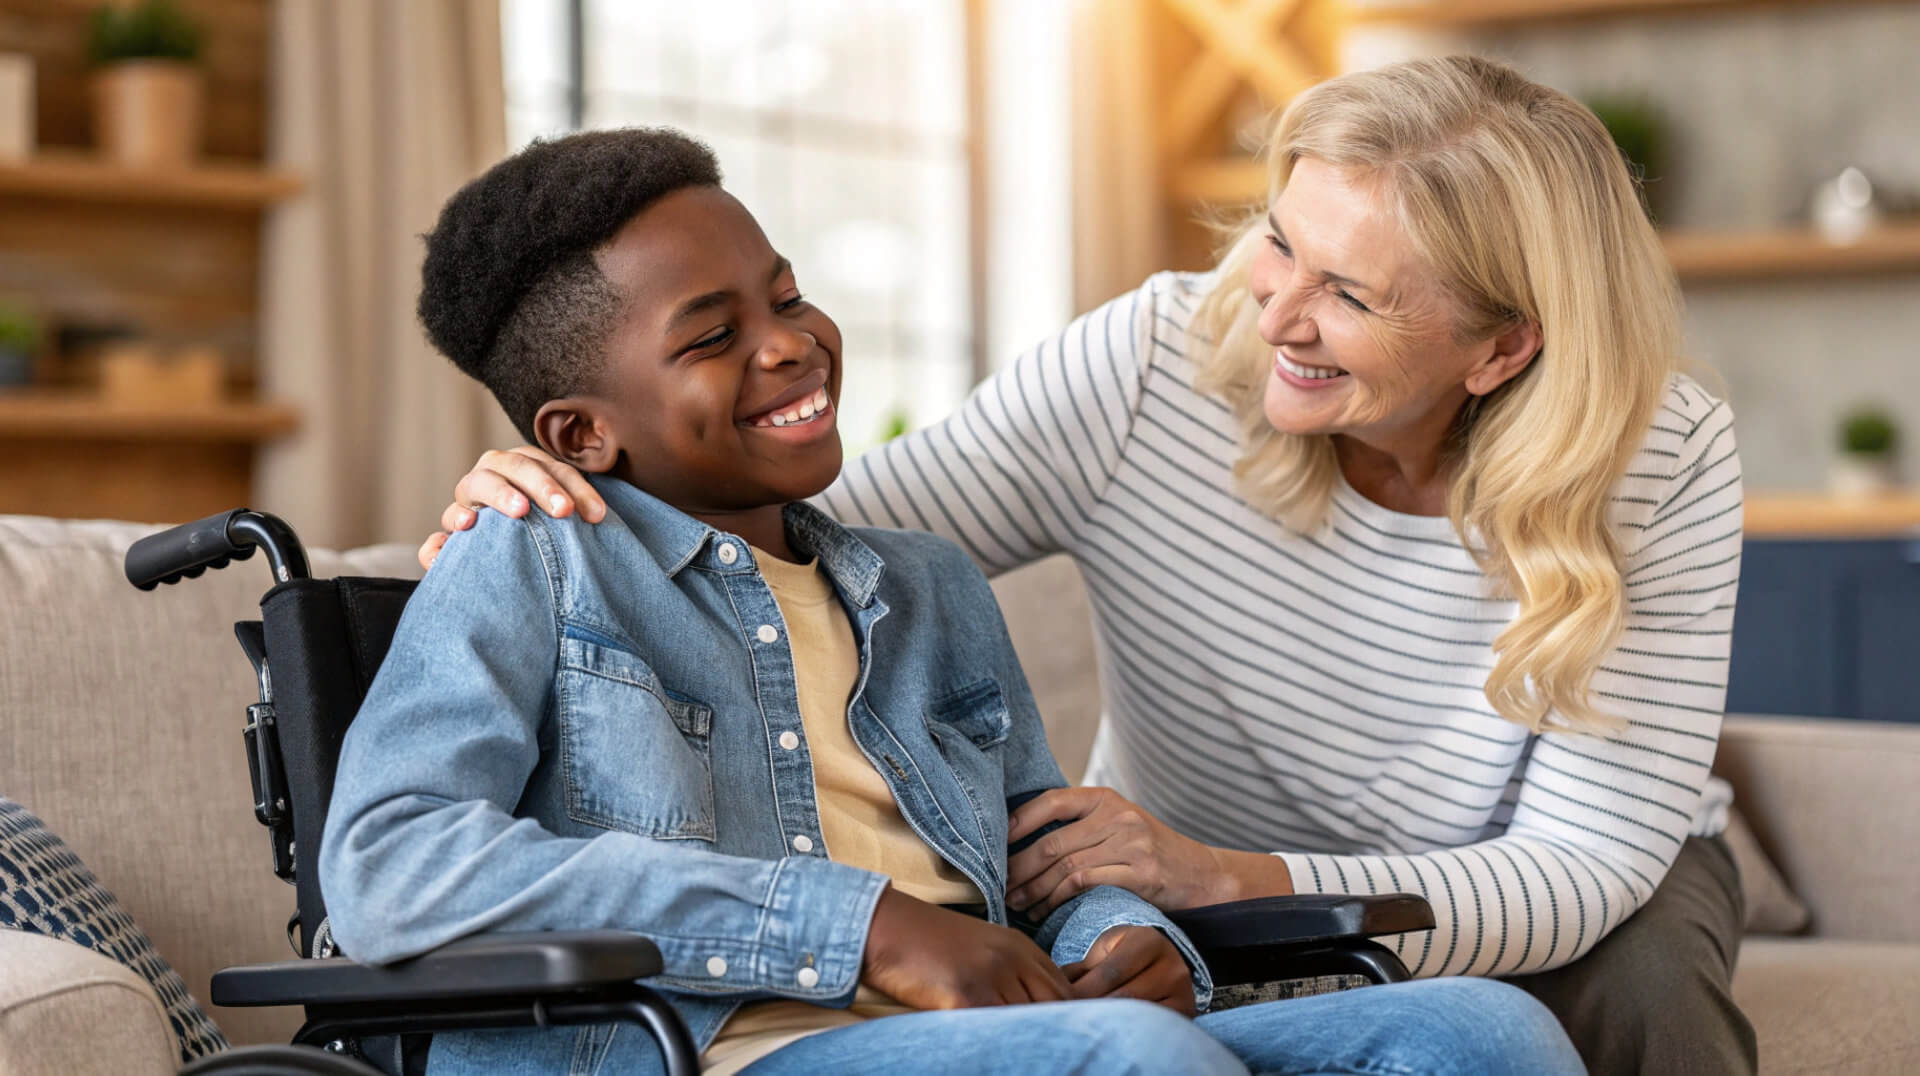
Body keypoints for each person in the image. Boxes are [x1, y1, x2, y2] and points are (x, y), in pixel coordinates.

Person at [430, 56, 1754, 1075]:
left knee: (1602, 1007)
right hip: (1122, 900)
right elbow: (805, 536)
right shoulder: (1152, 365)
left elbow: (1582, 865)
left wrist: (1202, 893)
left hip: (1522, 873)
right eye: (1280, 241)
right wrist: (551, 498)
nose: (1272, 313)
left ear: (1503, 350)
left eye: (1353, 295)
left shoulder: (1659, 453)